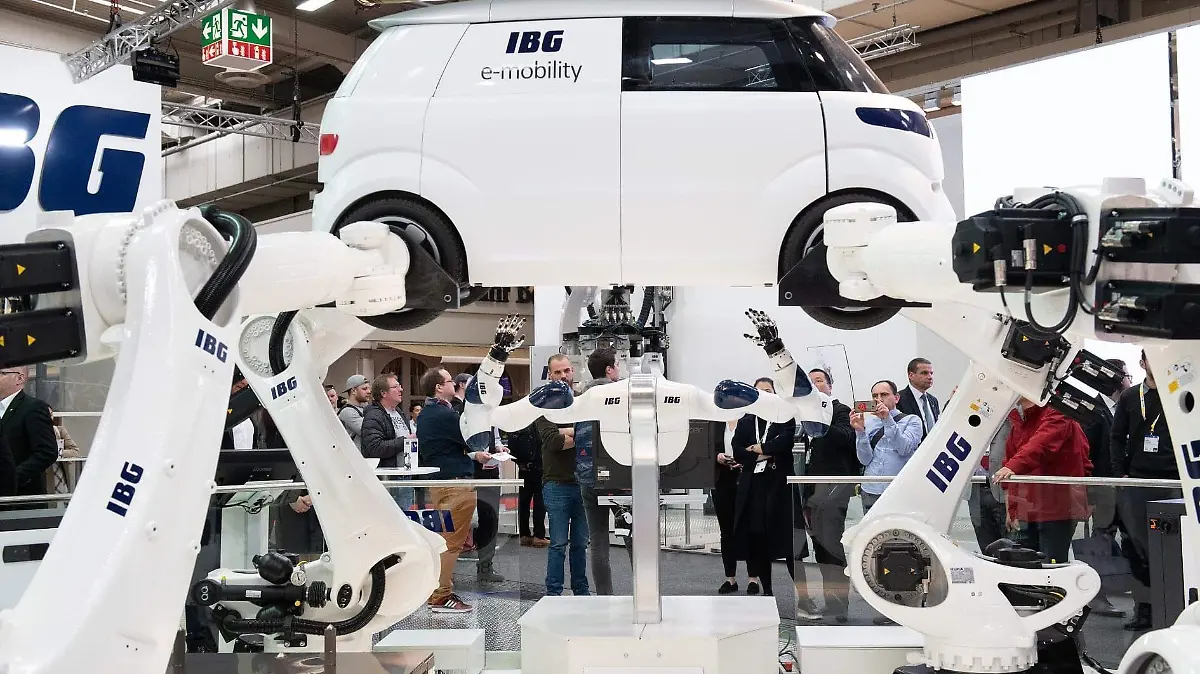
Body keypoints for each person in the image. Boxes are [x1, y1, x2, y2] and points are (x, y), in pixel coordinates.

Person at [1110, 350, 1181, 631]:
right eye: (1151, 357)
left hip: (1175, 482)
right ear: (1142, 363)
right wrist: (1121, 474)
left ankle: (1176, 609)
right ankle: (1144, 609)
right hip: (1138, 482)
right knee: (1138, 548)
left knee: (1174, 548)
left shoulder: (1179, 393)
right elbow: (1117, 437)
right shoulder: (1130, 398)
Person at [416, 367, 493, 613]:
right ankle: (441, 595)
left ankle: (439, 589)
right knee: (451, 542)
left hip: (444, 482)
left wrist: (473, 454)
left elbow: (450, 447)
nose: (455, 384)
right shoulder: (444, 414)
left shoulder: (428, 413)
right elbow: (473, 438)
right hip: (455, 484)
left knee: (446, 540)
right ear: (439, 387)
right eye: (450, 380)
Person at [994, 398, 1092, 565]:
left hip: (1057, 508)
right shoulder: (1020, 421)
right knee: (1024, 565)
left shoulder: (1058, 412)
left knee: (1051, 565)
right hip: (1028, 509)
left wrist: (1012, 466)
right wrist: (1012, 509)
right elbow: (1010, 461)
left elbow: (1041, 444)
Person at [730, 377, 797, 598]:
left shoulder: (784, 416)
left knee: (789, 541)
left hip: (779, 486)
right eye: (759, 391)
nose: (764, 395)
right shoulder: (746, 420)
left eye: (768, 390)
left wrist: (757, 448)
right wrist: (764, 452)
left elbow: (784, 443)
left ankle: (804, 596)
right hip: (754, 485)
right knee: (758, 538)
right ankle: (767, 590)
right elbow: (738, 451)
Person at [799, 368, 856, 622]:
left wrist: (820, 424)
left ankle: (839, 605)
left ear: (830, 387)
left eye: (819, 381)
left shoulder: (840, 410)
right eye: (810, 382)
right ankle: (831, 602)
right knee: (820, 547)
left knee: (832, 545)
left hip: (833, 488)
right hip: (810, 489)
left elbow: (845, 437)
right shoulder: (804, 414)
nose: (814, 385)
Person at [537, 354, 590, 596]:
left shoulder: (582, 402)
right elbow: (553, 442)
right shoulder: (543, 406)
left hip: (583, 482)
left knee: (580, 544)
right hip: (556, 484)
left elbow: (592, 433)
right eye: (557, 372)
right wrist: (579, 433)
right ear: (550, 375)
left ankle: (581, 590)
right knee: (558, 544)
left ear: (572, 371)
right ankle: (554, 592)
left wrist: (567, 432)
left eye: (566, 370)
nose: (563, 376)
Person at [574, 347, 620, 595]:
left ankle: (605, 597)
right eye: (617, 364)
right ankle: (644, 595)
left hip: (586, 477)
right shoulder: (618, 396)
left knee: (598, 541)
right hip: (617, 477)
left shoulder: (581, 398)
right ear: (609, 370)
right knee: (633, 536)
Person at [853, 380, 923, 513]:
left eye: (884, 394)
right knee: (871, 526)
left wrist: (887, 419)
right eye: (875, 396)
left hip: (898, 490)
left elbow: (904, 449)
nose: (879, 399)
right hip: (870, 489)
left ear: (896, 398)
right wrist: (860, 432)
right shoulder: (869, 422)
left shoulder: (912, 420)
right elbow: (864, 460)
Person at [0, 367, 59, 501]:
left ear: (19, 378)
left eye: (1, 373)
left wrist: (12, 479)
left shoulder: (33, 408)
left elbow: (47, 452)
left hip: (20, 499)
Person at [897, 358, 939, 438]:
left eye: (931, 373)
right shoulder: (899, 399)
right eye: (924, 373)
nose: (930, 377)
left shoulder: (933, 400)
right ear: (911, 375)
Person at [339, 375, 371, 449]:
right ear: (353, 391)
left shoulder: (363, 409)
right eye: (364, 389)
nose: (369, 391)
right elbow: (368, 431)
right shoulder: (347, 412)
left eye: (369, 388)